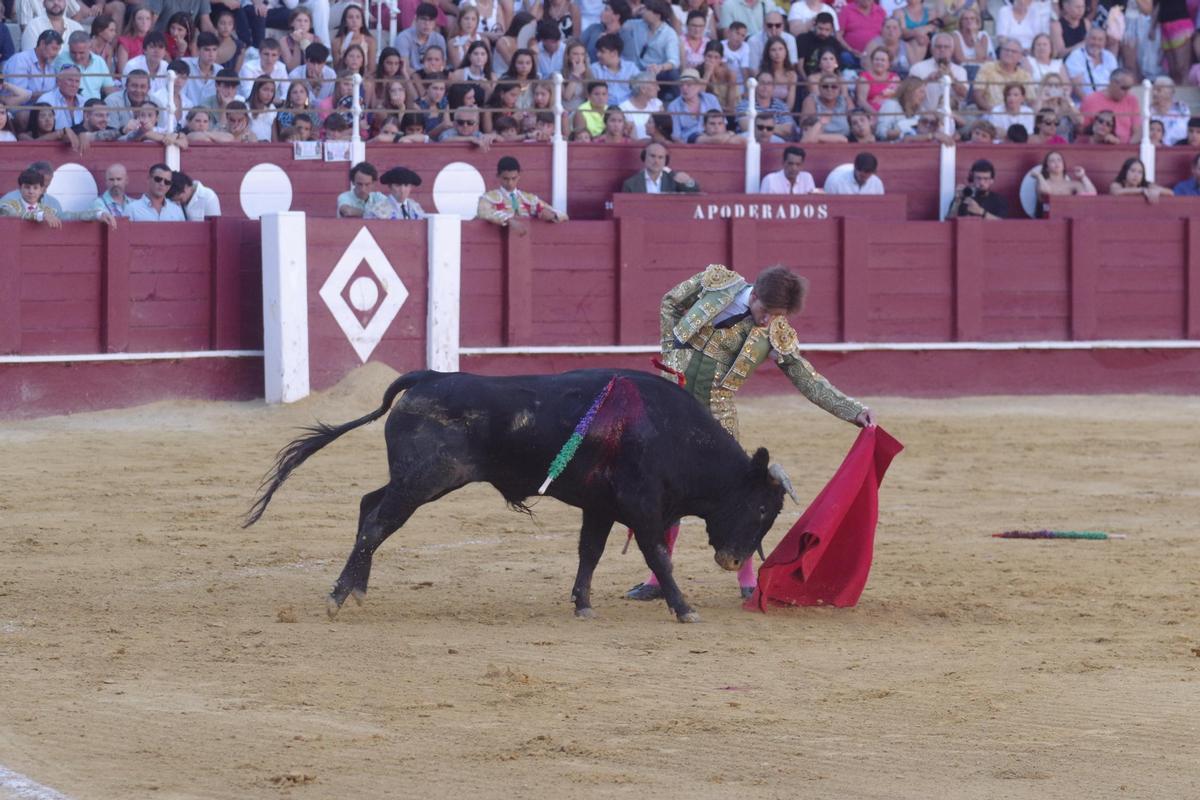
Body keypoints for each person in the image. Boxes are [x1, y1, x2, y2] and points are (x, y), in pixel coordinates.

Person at [624, 264, 874, 601]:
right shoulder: (716, 284)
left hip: (717, 415)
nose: (768, 321)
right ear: (753, 294)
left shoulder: (776, 332)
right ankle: (657, 579)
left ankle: (747, 578)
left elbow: (807, 378)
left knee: (741, 495)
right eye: (766, 312)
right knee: (665, 491)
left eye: (777, 316)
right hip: (672, 406)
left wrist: (853, 410)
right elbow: (670, 302)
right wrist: (673, 353)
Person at [477, 155, 567, 227]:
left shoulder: (529, 199)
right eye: (505, 179)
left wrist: (552, 215)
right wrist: (509, 220)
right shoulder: (488, 198)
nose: (510, 183)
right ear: (498, 176)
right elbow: (484, 213)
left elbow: (563, 215)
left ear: (519, 176)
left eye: (513, 178)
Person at [1079, 68, 1140, 144]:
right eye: (1124, 88)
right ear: (1112, 83)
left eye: (1129, 88)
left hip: (1125, 148)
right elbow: (1082, 131)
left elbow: (1137, 131)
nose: (1127, 92)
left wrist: (1127, 148)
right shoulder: (1091, 100)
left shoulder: (1132, 100)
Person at [1033, 150, 1095, 217]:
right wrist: (1039, 176)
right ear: (1046, 167)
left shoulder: (1073, 184)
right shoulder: (1042, 182)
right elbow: (1047, 191)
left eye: (1059, 160)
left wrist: (1083, 176)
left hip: (1070, 218)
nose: (1056, 162)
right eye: (1052, 161)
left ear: (1063, 165)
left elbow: (1091, 194)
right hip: (1048, 221)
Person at [621, 141, 699, 192]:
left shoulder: (673, 180)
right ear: (644, 157)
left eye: (660, 157)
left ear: (666, 160)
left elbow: (695, 191)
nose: (656, 161)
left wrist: (688, 181)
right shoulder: (630, 184)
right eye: (652, 156)